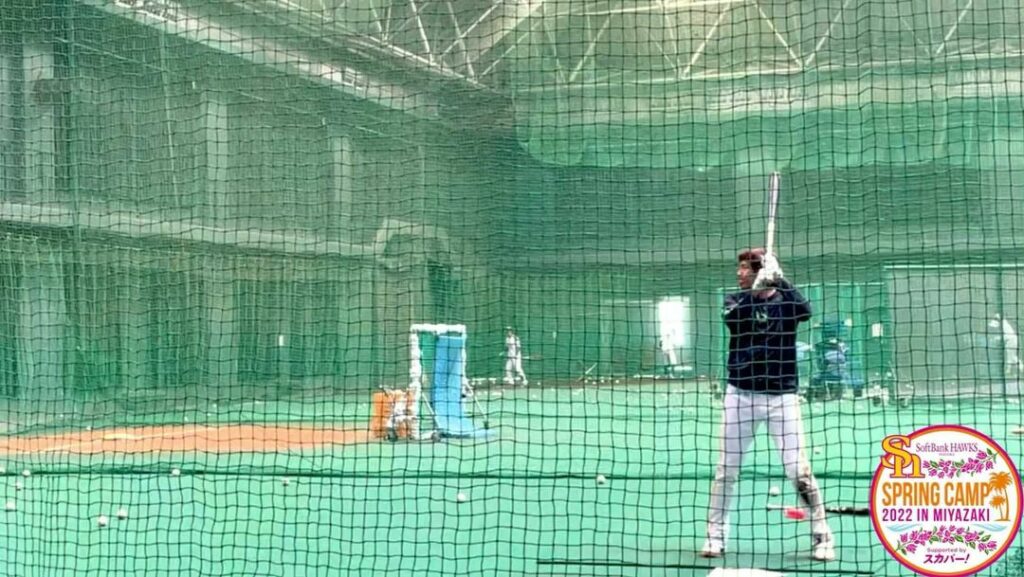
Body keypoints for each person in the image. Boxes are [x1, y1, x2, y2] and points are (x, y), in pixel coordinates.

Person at [702, 248, 835, 562]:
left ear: (760, 270)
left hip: (781, 398)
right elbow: (733, 321)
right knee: (726, 471)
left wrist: (781, 279)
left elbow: (806, 310)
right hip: (740, 395)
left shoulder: (786, 303)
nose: (739, 273)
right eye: (739, 268)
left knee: (799, 471)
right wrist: (756, 291)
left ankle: (822, 535)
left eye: (745, 268)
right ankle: (715, 537)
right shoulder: (735, 300)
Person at [988, 314, 1023, 378]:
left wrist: (997, 338)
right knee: (1012, 356)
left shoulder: (1004, 324)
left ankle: (1011, 370)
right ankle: (1013, 370)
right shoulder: (1003, 323)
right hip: (1011, 340)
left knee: (1011, 356)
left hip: (1011, 340)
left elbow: (1006, 336)